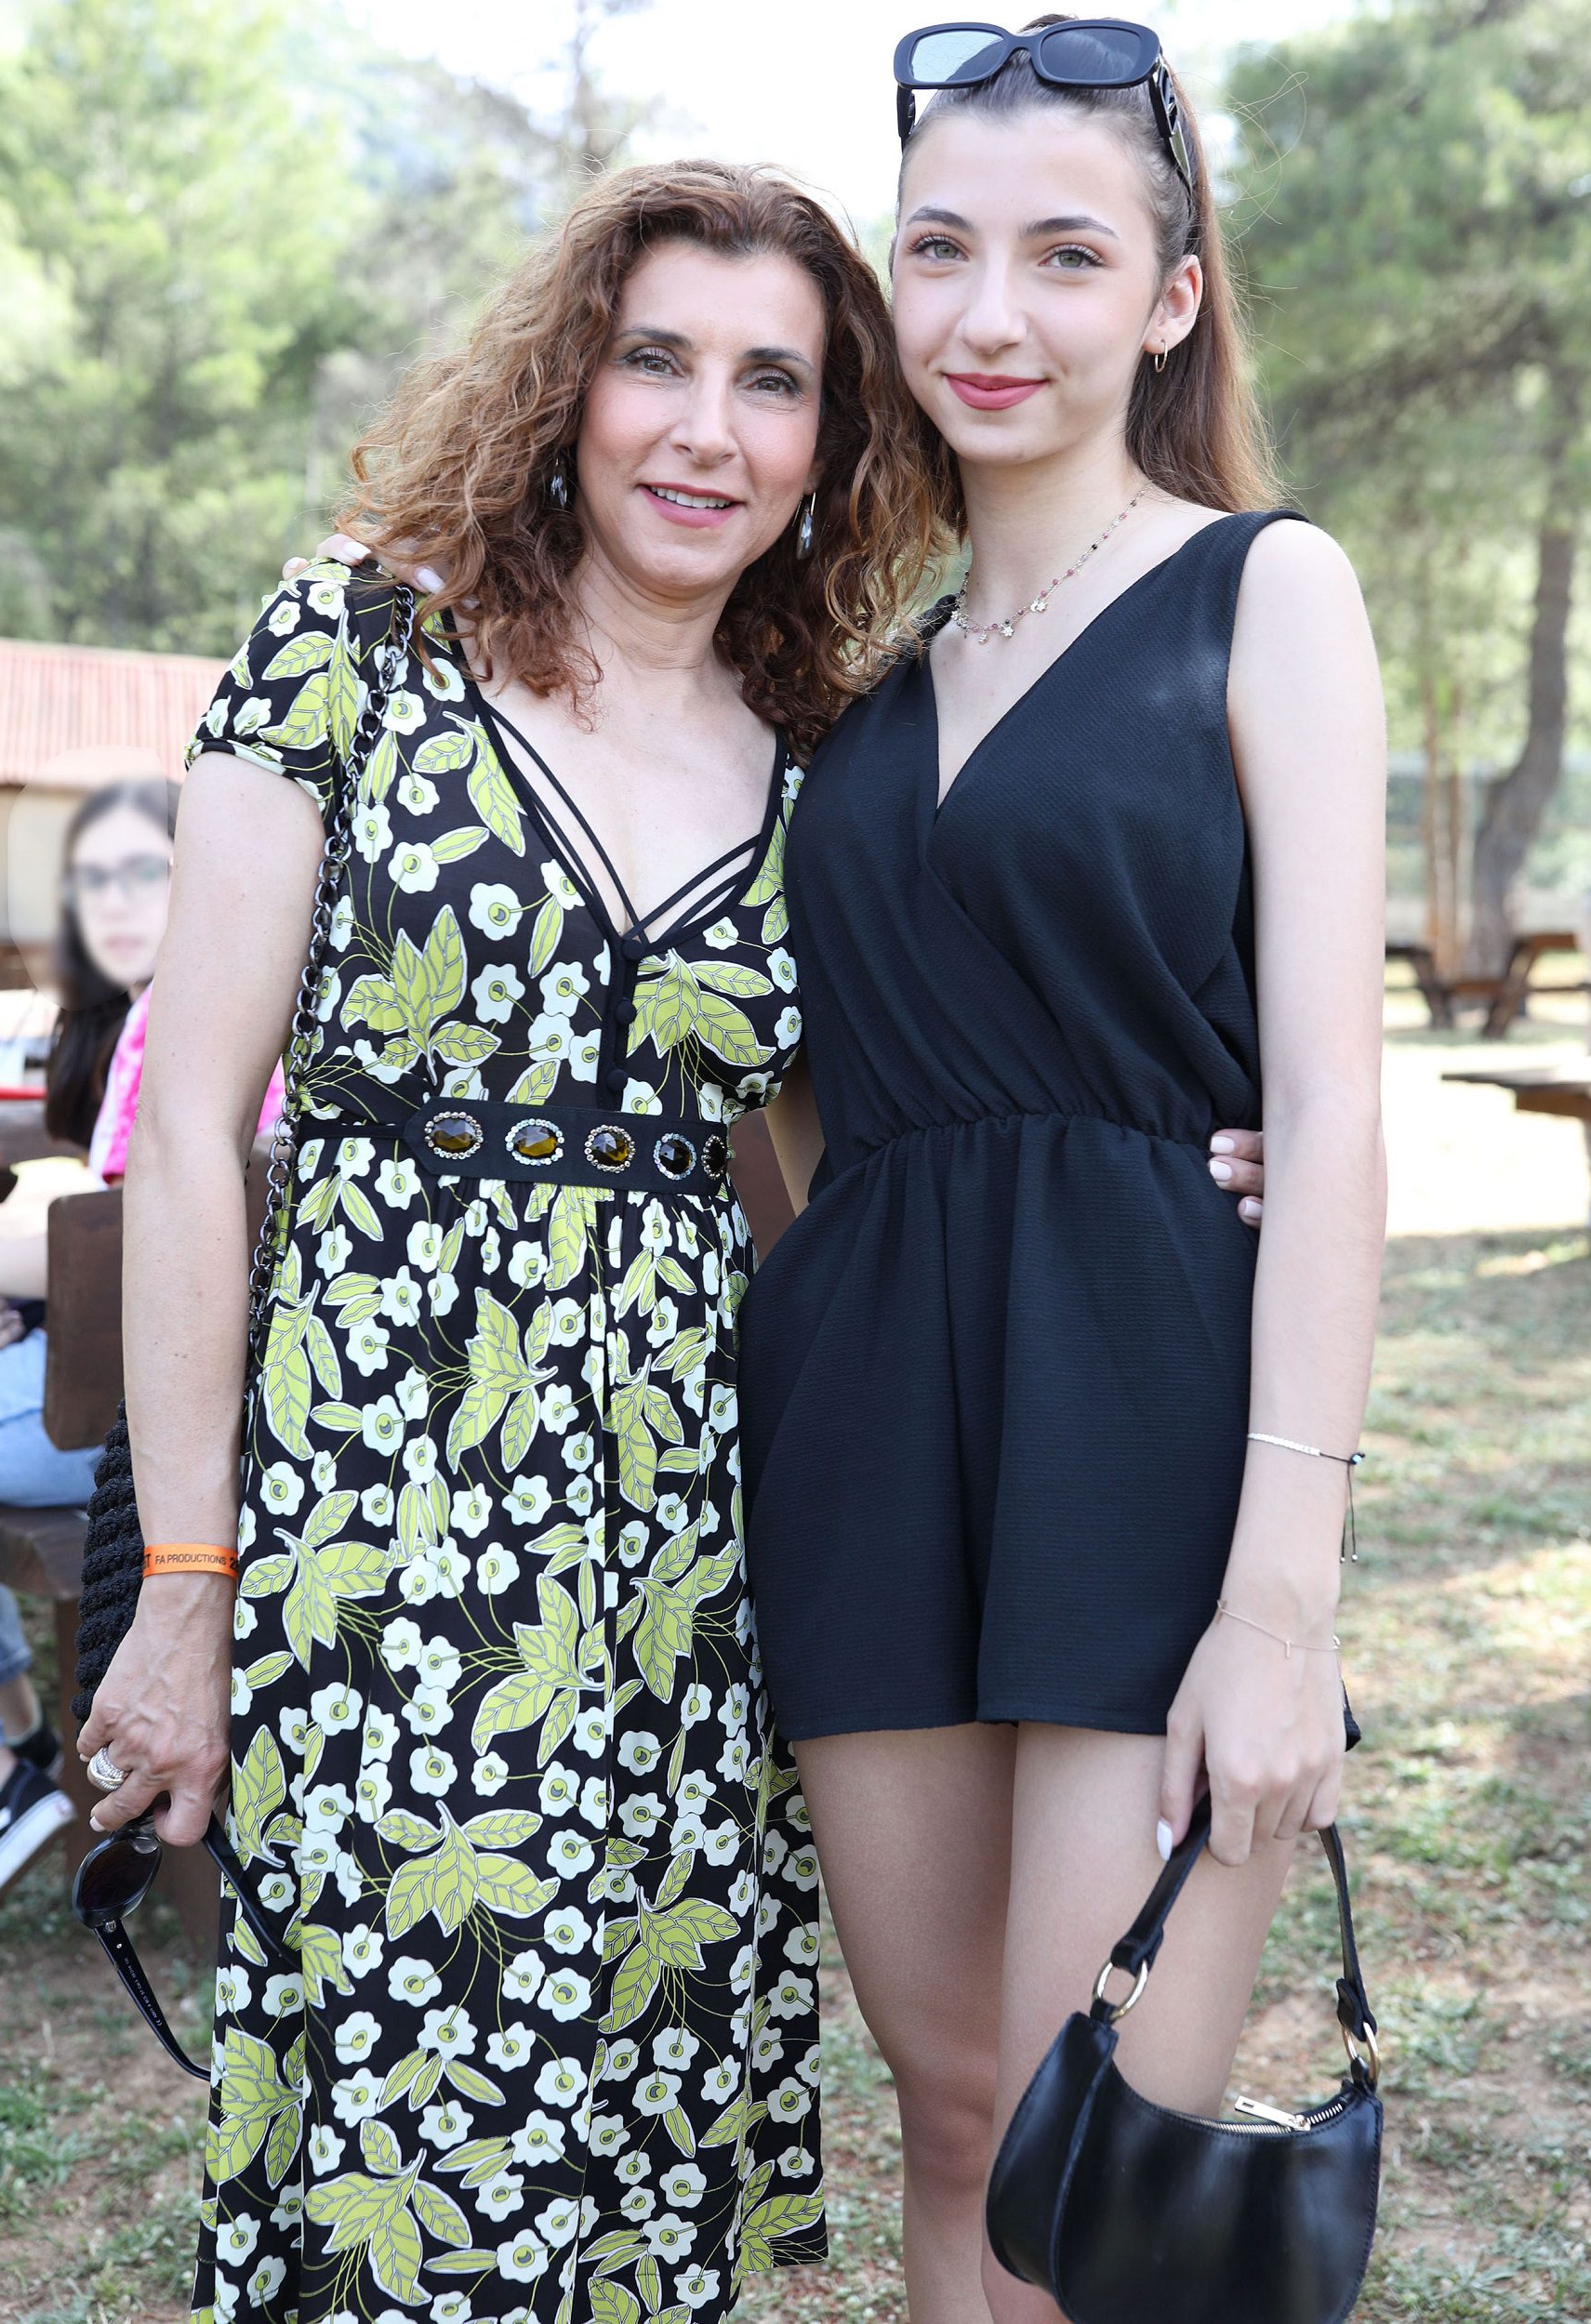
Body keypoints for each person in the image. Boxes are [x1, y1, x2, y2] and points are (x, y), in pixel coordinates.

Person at [75, 162, 953, 2324]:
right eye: (657, 359)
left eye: (772, 381)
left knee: (636, 2147)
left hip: (685, 1558)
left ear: (832, 438)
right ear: (571, 380)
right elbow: (185, 1132)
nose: (704, 430)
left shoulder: (826, 759)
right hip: (383, 1525)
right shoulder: (348, 649)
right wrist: (186, 1583)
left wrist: (1194, 1150)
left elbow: (886, 1165)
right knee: (412, 2142)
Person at [734, 21, 1387, 2324]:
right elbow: (790, 1084)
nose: (988, 311)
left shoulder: (1261, 592)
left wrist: (1280, 1601)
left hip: (1142, 1409)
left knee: (1075, 2154)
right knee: (943, 2113)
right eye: (938, 249)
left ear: (1171, 296)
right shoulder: (852, 678)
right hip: (870, 1427)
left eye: (1064, 254)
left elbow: (1330, 1100)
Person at [0, 777, 268, 1968]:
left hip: (143, 1419)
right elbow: (108, 1246)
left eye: (145, 869)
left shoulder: (250, 1016)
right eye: (90, 878)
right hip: (89, 1369)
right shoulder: (139, 1021)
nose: (114, 900)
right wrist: (11, 1288)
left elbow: (200, 1221)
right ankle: (10, 1744)